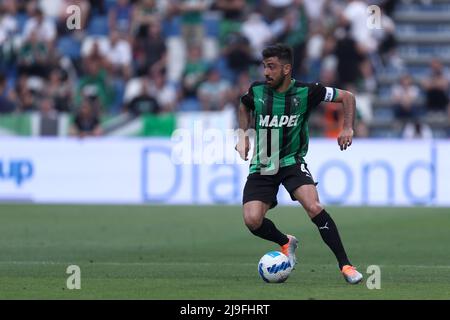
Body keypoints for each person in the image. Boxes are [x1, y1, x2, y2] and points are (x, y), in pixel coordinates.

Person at [235, 43, 363, 284]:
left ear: (286, 69)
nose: (265, 72)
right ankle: (285, 241)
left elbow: (348, 97)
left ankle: (346, 265)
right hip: (264, 162)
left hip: (292, 161)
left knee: (314, 206)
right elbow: (244, 105)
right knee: (252, 220)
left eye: (271, 67)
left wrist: (347, 127)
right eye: (264, 66)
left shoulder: (308, 91)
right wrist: (242, 134)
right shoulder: (258, 90)